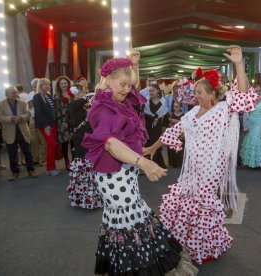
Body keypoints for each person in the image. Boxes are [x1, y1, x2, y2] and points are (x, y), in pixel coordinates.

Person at [82, 53, 197, 275]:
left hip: (124, 171)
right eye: (122, 84)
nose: (127, 89)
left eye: (129, 84)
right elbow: (111, 144)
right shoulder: (102, 108)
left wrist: (134, 65)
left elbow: (134, 97)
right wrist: (143, 162)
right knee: (130, 220)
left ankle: (128, 265)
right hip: (113, 176)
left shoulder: (118, 101)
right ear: (107, 80)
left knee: (127, 219)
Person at [145, 45, 258, 264]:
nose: (196, 96)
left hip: (212, 166)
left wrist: (238, 64)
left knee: (203, 203)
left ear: (213, 93)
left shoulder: (224, 109)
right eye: (195, 92)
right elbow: (173, 131)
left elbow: (243, 94)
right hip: (192, 167)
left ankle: (205, 245)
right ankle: (187, 242)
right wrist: (153, 147)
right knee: (186, 199)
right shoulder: (193, 113)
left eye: (200, 92)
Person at [66, 84, 102, 209]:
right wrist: (94, 93)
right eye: (82, 91)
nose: (84, 93)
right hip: (81, 139)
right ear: (77, 93)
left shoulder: (83, 104)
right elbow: (87, 99)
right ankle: (84, 196)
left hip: (89, 137)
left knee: (91, 163)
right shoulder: (73, 104)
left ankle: (92, 195)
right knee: (84, 164)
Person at [0, 86, 38, 181]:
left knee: (27, 152)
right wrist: (10, 119)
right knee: (12, 154)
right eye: (13, 93)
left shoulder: (22, 103)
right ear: (6, 94)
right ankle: (14, 172)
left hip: (23, 132)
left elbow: (28, 114)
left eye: (16, 92)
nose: (15, 94)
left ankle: (31, 170)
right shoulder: (1, 104)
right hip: (9, 133)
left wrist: (22, 118)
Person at [32, 78, 61, 176]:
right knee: (52, 144)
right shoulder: (37, 96)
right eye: (45, 84)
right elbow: (38, 113)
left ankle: (51, 167)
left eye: (48, 84)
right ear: (40, 86)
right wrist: (45, 126)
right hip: (46, 125)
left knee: (52, 145)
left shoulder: (48, 95)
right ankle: (50, 168)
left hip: (52, 123)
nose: (48, 86)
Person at [240, 88, 261, 168]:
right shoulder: (249, 101)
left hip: (259, 122)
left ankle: (257, 162)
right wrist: (246, 126)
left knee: (256, 139)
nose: (256, 92)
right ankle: (250, 161)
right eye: (254, 91)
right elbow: (245, 114)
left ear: (260, 92)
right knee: (250, 138)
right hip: (251, 122)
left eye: (258, 91)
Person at [144, 83, 169, 168]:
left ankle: (159, 164)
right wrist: (151, 118)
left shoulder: (163, 101)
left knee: (156, 143)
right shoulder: (147, 101)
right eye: (150, 91)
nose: (151, 92)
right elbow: (144, 113)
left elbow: (164, 113)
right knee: (149, 143)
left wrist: (157, 119)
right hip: (148, 125)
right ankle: (149, 165)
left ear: (157, 91)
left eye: (153, 90)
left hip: (157, 125)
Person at [54, 76, 73, 170]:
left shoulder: (73, 93)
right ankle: (66, 161)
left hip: (73, 121)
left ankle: (74, 161)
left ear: (68, 84)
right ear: (59, 85)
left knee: (74, 142)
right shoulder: (56, 95)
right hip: (62, 122)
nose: (63, 85)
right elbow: (57, 110)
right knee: (64, 143)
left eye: (65, 83)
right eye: (61, 83)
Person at [26, 92, 46, 166]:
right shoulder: (30, 94)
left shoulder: (43, 94)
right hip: (32, 121)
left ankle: (43, 159)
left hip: (41, 120)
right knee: (34, 140)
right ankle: (35, 159)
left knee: (43, 140)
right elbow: (28, 107)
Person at [166, 101, 184, 168]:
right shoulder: (171, 114)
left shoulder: (184, 115)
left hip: (180, 135)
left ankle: (180, 163)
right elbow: (167, 125)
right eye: (174, 106)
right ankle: (172, 163)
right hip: (172, 135)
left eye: (177, 106)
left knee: (179, 150)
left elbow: (184, 125)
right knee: (171, 150)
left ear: (180, 107)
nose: (175, 108)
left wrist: (176, 121)